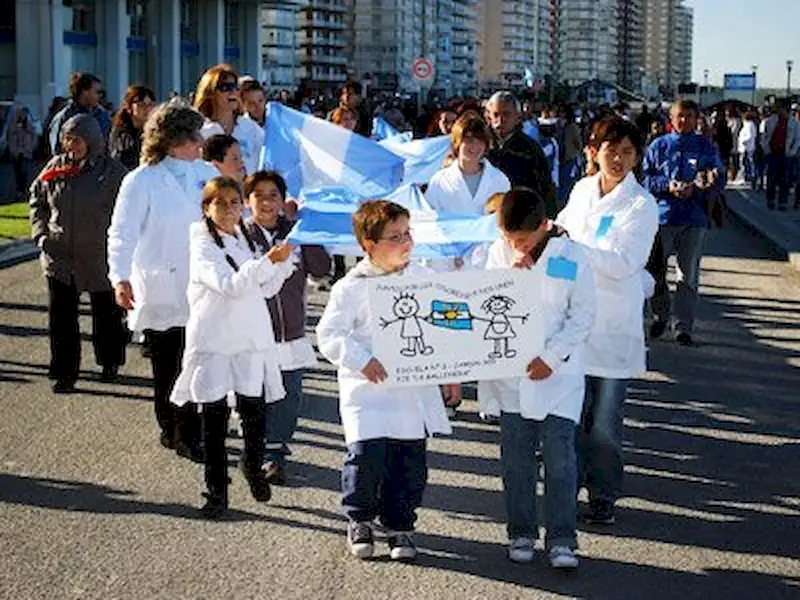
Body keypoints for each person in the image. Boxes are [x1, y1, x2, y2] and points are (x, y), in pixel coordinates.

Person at [315, 200, 455, 561]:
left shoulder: (423, 280)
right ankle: (359, 518)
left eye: (407, 233)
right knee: (366, 458)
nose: (405, 242)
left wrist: (453, 374)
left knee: (408, 463)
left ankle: (400, 524)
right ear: (369, 245)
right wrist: (363, 361)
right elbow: (329, 334)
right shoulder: (351, 287)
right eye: (394, 237)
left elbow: (447, 328)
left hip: (410, 392)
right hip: (368, 391)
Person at [169, 177, 295, 518]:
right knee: (213, 418)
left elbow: (263, 288)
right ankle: (216, 491)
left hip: (250, 339)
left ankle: (252, 467)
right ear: (206, 209)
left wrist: (281, 264)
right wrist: (269, 260)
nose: (228, 209)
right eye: (220, 203)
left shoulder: (241, 239)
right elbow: (229, 285)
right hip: (214, 342)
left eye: (234, 202)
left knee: (253, 412)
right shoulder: (201, 245)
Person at [483, 187, 594, 569]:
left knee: (560, 458)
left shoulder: (570, 257)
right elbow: (482, 301)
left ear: (544, 227)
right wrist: (508, 279)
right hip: (512, 379)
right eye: (508, 238)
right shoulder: (498, 252)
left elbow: (582, 315)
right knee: (516, 460)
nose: (515, 245)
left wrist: (552, 356)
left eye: (523, 239)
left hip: (559, 378)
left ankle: (562, 538)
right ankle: (521, 532)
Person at [557, 115, 659, 525]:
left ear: (637, 157)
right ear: (594, 151)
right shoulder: (582, 190)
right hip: (573, 322)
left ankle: (603, 495)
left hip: (613, 327)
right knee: (570, 417)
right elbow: (559, 246)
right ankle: (569, 487)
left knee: (603, 424)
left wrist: (575, 252)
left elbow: (624, 263)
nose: (618, 158)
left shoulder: (641, 204)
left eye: (627, 152)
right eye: (610, 149)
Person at [108, 102, 221, 462]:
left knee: (197, 362)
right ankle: (171, 425)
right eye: (193, 138)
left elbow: (232, 216)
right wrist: (119, 277)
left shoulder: (205, 174)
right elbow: (121, 233)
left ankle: (190, 431)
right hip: (159, 287)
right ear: (171, 140)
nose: (200, 145)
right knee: (167, 366)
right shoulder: (141, 181)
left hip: (201, 287)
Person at [242, 171, 331, 484]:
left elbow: (322, 270)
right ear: (246, 200)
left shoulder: (296, 233)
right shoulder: (238, 235)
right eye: (259, 195)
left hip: (290, 332)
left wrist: (309, 233)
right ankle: (254, 448)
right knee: (254, 395)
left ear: (283, 201)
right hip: (250, 332)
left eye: (273, 196)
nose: (266, 202)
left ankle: (275, 454)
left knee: (288, 397)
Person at [30, 114, 128, 393]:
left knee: (106, 315)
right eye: (67, 139)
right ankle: (64, 372)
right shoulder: (54, 169)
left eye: (77, 139)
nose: (71, 145)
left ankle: (109, 361)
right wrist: (41, 234)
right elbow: (37, 201)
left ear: (92, 141)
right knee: (62, 319)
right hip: (60, 257)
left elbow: (127, 212)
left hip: (99, 256)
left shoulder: (112, 173)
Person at [643, 100, 725, 346]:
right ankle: (660, 314)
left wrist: (704, 183)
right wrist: (667, 186)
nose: (683, 121)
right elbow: (646, 179)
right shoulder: (659, 146)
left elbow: (717, 179)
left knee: (687, 276)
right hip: (662, 218)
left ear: (696, 118)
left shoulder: (705, 147)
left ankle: (683, 326)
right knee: (655, 273)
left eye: (689, 116)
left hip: (694, 219)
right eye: (679, 116)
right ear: (671, 118)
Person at [425, 113, 511, 272]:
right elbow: (431, 224)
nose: (474, 147)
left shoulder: (499, 180)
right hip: (447, 263)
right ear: (457, 143)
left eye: (479, 141)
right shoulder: (439, 181)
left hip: (488, 262)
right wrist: (453, 251)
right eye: (468, 140)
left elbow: (504, 224)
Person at [484, 91, 556, 218]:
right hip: (485, 212)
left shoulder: (530, 149)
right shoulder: (481, 146)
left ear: (517, 116)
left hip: (519, 215)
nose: (500, 120)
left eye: (506, 114)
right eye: (496, 115)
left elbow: (545, 187)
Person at [195, 64, 265, 176]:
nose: (232, 92)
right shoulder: (199, 132)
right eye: (225, 88)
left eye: (235, 87)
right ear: (210, 93)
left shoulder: (250, 128)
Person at [48, 72, 107, 155]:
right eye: (97, 92)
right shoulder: (65, 116)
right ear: (84, 92)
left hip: (99, 166)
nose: (100, 96)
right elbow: (57, 150)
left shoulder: (101, 114)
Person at [760, 99, 800, 211]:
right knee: (771, 178)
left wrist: (792, 152)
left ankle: (783, 202)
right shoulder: (771, 121)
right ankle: (771, 199)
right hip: (773, 153)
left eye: (780, 108)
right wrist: (766, 149)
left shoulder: (794, 123)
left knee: (785, 179)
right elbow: (765, 136)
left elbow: (797, 139)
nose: (778, 110)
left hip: (786, 154)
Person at [108, 85, 156, 170]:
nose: (147, 109)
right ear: (129, 107)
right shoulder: (121, 134)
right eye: (141, 105)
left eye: (150, 105)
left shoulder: (155, 132)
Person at [738, 112, 758, 186]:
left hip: (747, 148)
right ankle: (747, 178)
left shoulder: (749, 125)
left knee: (746, 164)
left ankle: (747, 178)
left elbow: (749, 136)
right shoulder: (750, 125)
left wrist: (743, 141)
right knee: (747, 163)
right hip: (747, 148)